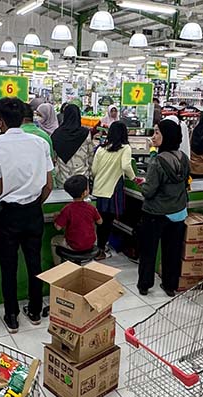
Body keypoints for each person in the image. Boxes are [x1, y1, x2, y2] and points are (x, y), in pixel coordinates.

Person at [0, 98, 54, 333]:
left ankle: (11, 315)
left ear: (0, 120)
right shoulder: (40, 142)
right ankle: (34, 311)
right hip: (33, 212)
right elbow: (49, 185)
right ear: (24, 118)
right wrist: (34, 204)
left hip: (8, 215)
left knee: (8, 266)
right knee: (35, 263)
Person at [138, 119, 189, 297]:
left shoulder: (158, 161)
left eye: (158, 132)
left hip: (155, 213)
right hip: (178, 213)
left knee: (148, 251)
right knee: (172, 252)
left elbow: (149, 191)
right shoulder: (184, 158)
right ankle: (170, 285)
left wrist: (141, 185)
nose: (154, 136)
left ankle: (144, 285)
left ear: (166, 136)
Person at [91, 121, 136, 258]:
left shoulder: (101, 148)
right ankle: (101, 250)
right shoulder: (125, 148)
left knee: (99, 221)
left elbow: (93, 171)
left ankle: (98, 247)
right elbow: (126, 166)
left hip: (99, 189)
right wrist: (134, 178)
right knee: (108, 222)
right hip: (113, 190)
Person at [51, 175, 102, 265]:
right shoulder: (91, 208)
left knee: (54, 241)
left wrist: (55, 218)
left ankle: (57, 268)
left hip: (74, 246)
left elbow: (58, 227)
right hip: (90, 244)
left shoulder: (67, 209)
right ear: (85, 192)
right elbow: (100, 222)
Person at [51, 103, 93, 186]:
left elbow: (53, 156)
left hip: (63, 177)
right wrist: (91, 174)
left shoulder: (56, 134)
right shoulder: (85, 133)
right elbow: (90, 155)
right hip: (81, 176)